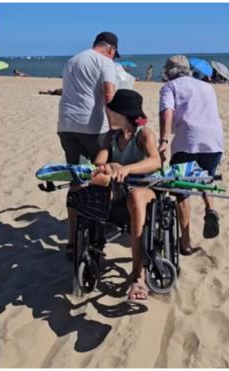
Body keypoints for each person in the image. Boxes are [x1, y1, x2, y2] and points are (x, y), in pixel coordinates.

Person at [85, 89, 161, 301]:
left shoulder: (144, 134)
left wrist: (127, 168)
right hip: (116, 188)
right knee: (87, 183)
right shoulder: (112, 136)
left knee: (135, 197)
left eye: (112, 112)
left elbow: (155, 161)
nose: (108, 115)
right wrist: (110, 165)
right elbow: (99, 162)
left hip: (144, 188)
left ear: (123, 114)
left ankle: (138, 275)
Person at [58, 31, 119, 255]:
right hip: (93, 127)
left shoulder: (71, 61)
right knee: (102, 174)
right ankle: (99, 228)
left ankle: (73, 238)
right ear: (111, 49)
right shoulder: (105, 61)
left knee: (77, 179)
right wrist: (115, 126)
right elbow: (109, 95)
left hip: (66, 125)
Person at [158, 55, 224, 255]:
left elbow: (167, 112)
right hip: (214, 141)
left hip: (187, 142)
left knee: (181, 191)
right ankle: (210, 208)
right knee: (205, 178)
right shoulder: (206, 86)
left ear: (169, 72)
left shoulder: (169, 87)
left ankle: (185, 243)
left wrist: (164, 139)